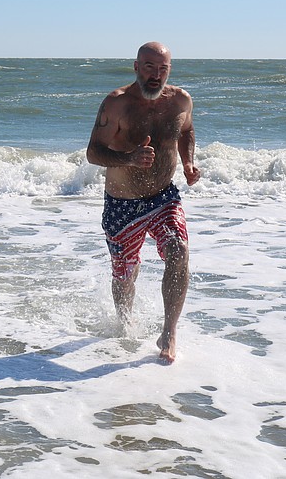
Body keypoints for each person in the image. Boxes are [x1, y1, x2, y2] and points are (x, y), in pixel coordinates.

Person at [86, 42, 201, 364]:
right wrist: (129, 158)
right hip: (122, 203)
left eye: (163, 68)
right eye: (149, 67)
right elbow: (94, 152)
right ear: (136, 67)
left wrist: (188, 163)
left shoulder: (181, 100)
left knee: (178, 251)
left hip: (165, 196)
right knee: (125, 274)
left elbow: (187, 131)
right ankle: (125, 324)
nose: (156, 74)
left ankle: (169, 331)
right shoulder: (117, 103)